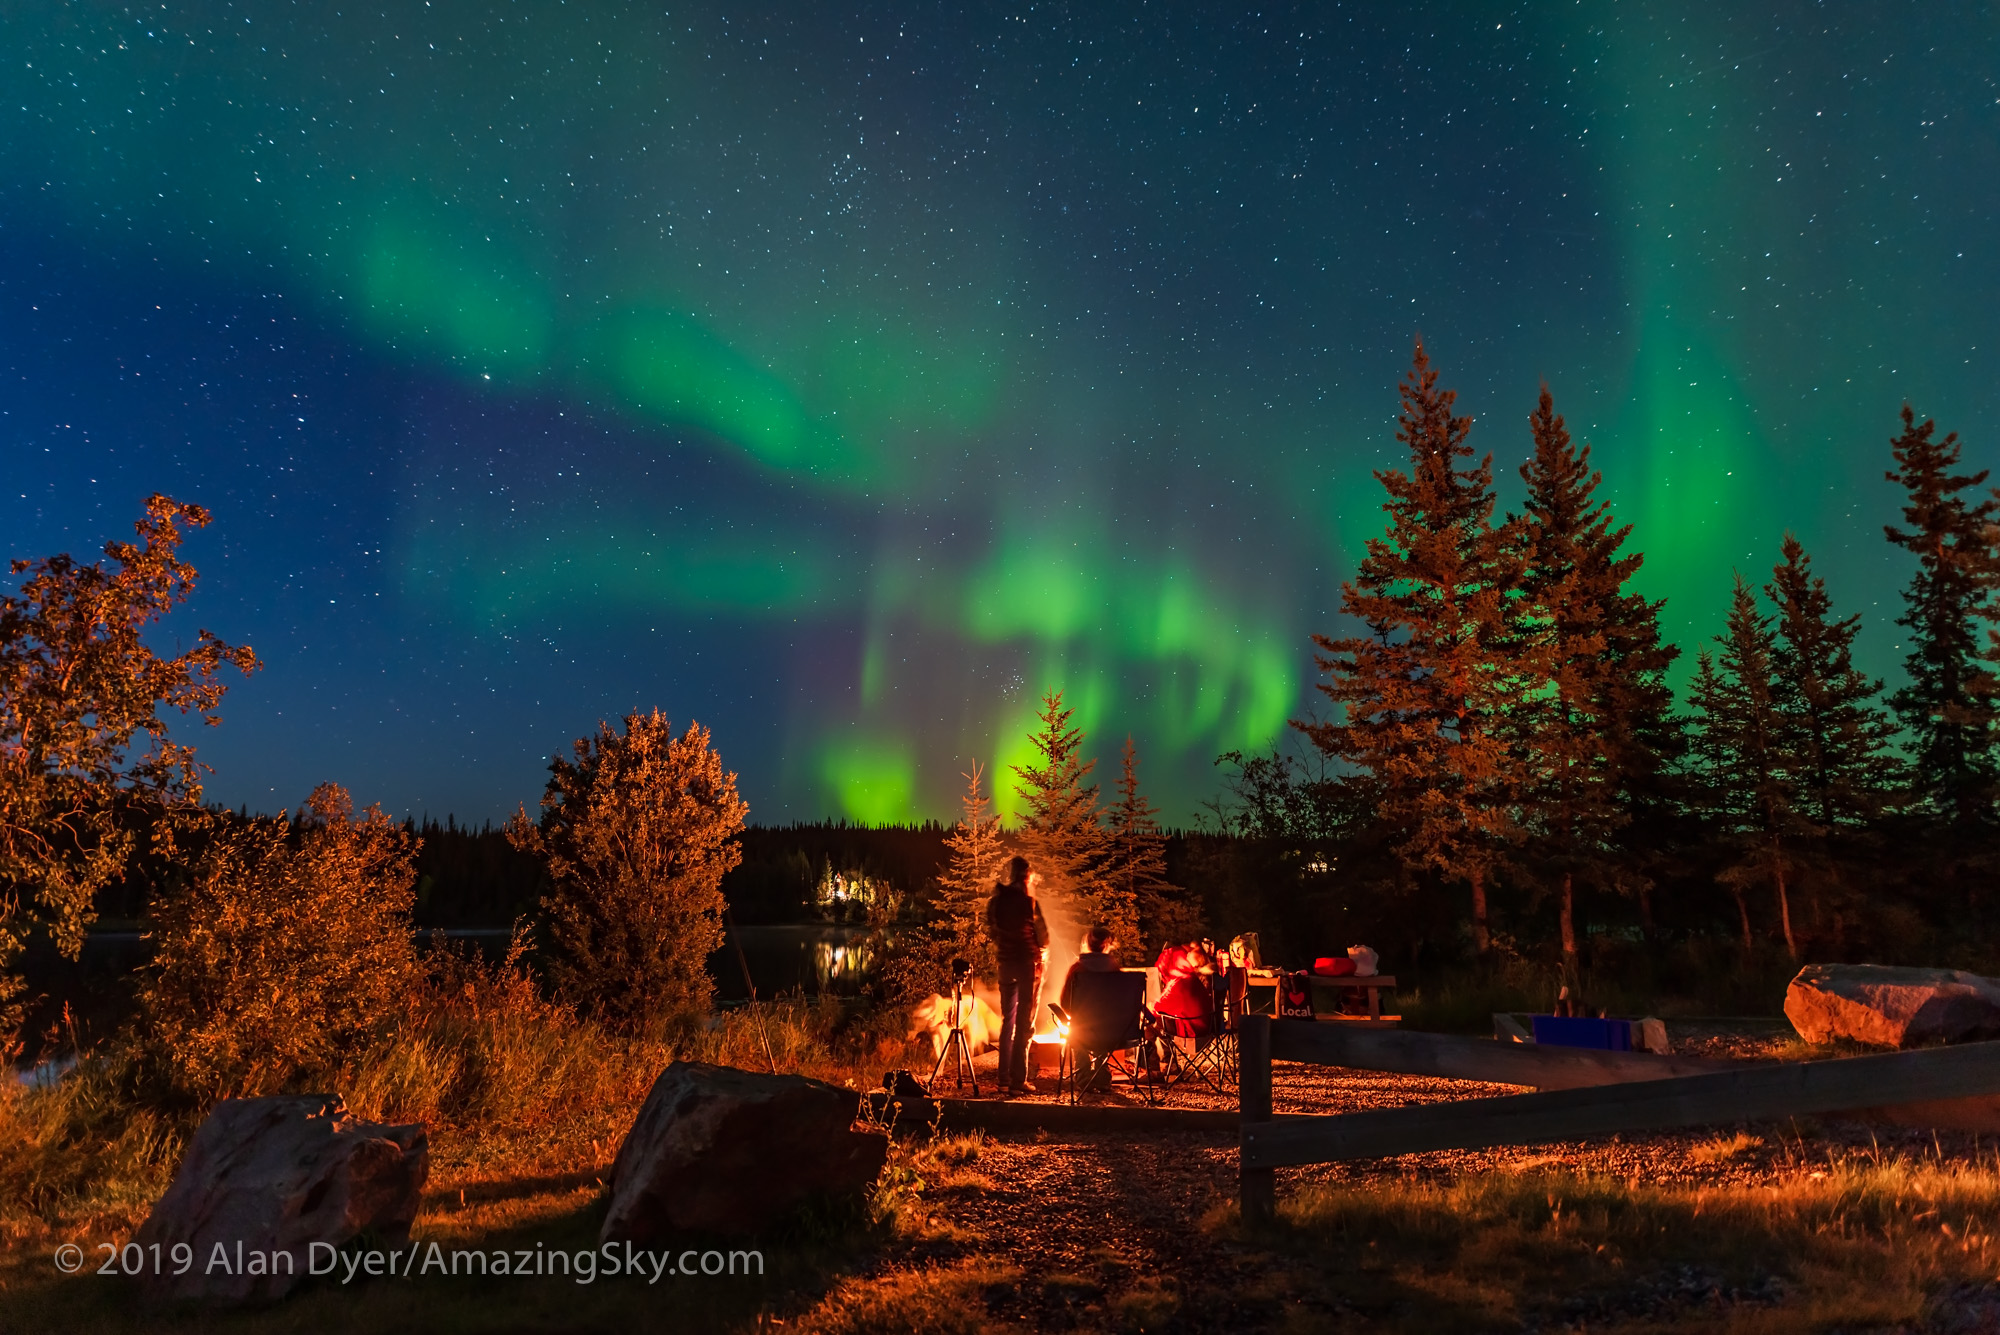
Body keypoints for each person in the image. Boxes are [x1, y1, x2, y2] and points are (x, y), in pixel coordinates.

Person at [985, 855, 1049, 1095]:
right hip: (1026, 964)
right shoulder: (1029, 902)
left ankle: (1003, 1079)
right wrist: (1039, 951)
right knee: (1024, 1023)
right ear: (1027, 876)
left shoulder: (996, 901)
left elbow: (993, 931)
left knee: (1007, 1021)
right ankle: (1017, 1081)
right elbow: (1043, 937)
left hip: (1005, 964)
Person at [1059, 924, 1120, 1012]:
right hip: (1113, 1020)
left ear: (1087, 944)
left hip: (1082, 1019)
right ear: (1107, 946)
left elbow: (1065, 1003)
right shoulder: (1115, 970)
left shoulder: (1076, 969)